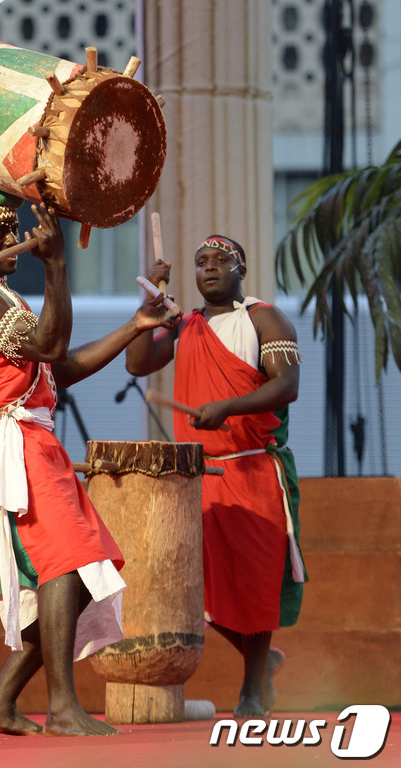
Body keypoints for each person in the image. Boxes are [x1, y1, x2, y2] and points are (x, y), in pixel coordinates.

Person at [0, 184, 182, 737]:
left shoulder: (3, 298)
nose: (10, 238)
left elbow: (57, 369)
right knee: (65, 565)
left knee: (66, 572)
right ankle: (64, 709)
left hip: (33, 442)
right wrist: (57, 267)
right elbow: (50, 349)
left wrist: (134, 326)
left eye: (11, 227)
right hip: (10, 444)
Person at [125, 235, 306, 719]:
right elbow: (137, 362)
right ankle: (262, 661)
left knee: (252, 584)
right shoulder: (187, 325)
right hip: (199, 475)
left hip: (251, 467)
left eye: (220, 261)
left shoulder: (264, 318)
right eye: (201, 262)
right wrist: (150, 307)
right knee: (193, 588)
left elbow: (286, 385)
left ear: (240, 269)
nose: (208, 269)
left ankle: (251, 692)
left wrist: (227, 406)